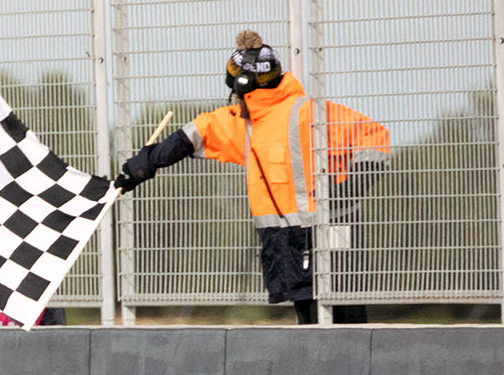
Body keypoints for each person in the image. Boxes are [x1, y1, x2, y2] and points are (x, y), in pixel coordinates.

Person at [114, 31, 390, 324]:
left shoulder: (295, 115)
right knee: (327, 319)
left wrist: (347, 189)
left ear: (242, 84)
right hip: (301, 236)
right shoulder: (260, 121)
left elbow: (374, 137)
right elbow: (193, 135)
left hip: (323, 232)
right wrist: (142, 165)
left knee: (334, 318)